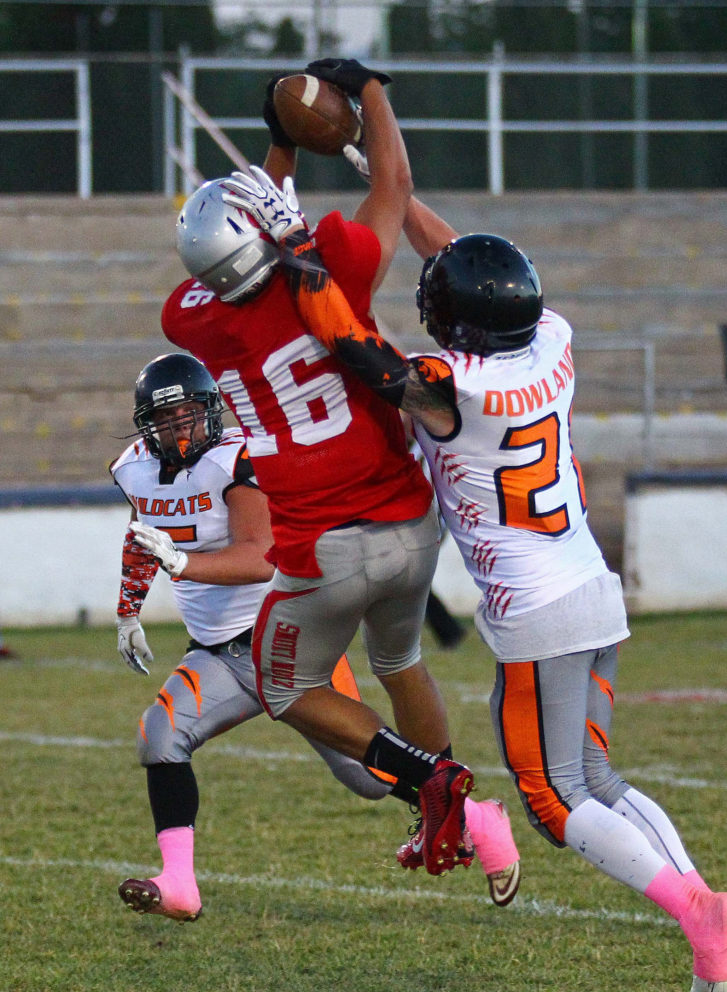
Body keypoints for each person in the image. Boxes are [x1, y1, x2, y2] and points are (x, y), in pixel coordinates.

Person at [231, 167, 727, 992]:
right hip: (591, 582)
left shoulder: (452, 387)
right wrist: (395, 198)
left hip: (536, 609)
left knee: (554, 800)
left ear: (455, 322)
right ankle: (703, 908)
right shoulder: (551, 338)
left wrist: (301, 257)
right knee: (595, 775)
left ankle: (697, 911)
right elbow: (472, 264)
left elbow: (360, 356)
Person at [159, 58, 520, 886]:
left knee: (288, 690)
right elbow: (392, 180)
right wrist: (369, 93)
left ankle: (430, 780)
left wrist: (279, 147)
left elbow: (242, 246)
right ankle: (454, 816)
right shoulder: (339, 265)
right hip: (408, 525)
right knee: (399, 663)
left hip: (322, 549)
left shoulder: (196, 321)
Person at [111, 351, 398, 921]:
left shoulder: (233, 461)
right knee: (159, 735)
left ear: (209, 412)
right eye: (165, 420)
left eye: (188, 414)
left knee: (371, 779)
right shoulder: (134, 467)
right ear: (147, 426)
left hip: (286, 641)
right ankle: (179, 885)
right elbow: (144, 534)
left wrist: (184, 564)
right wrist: (128, 611)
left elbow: (260, 557)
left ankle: (472, 817)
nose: (179, 428)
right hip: (217, 650)